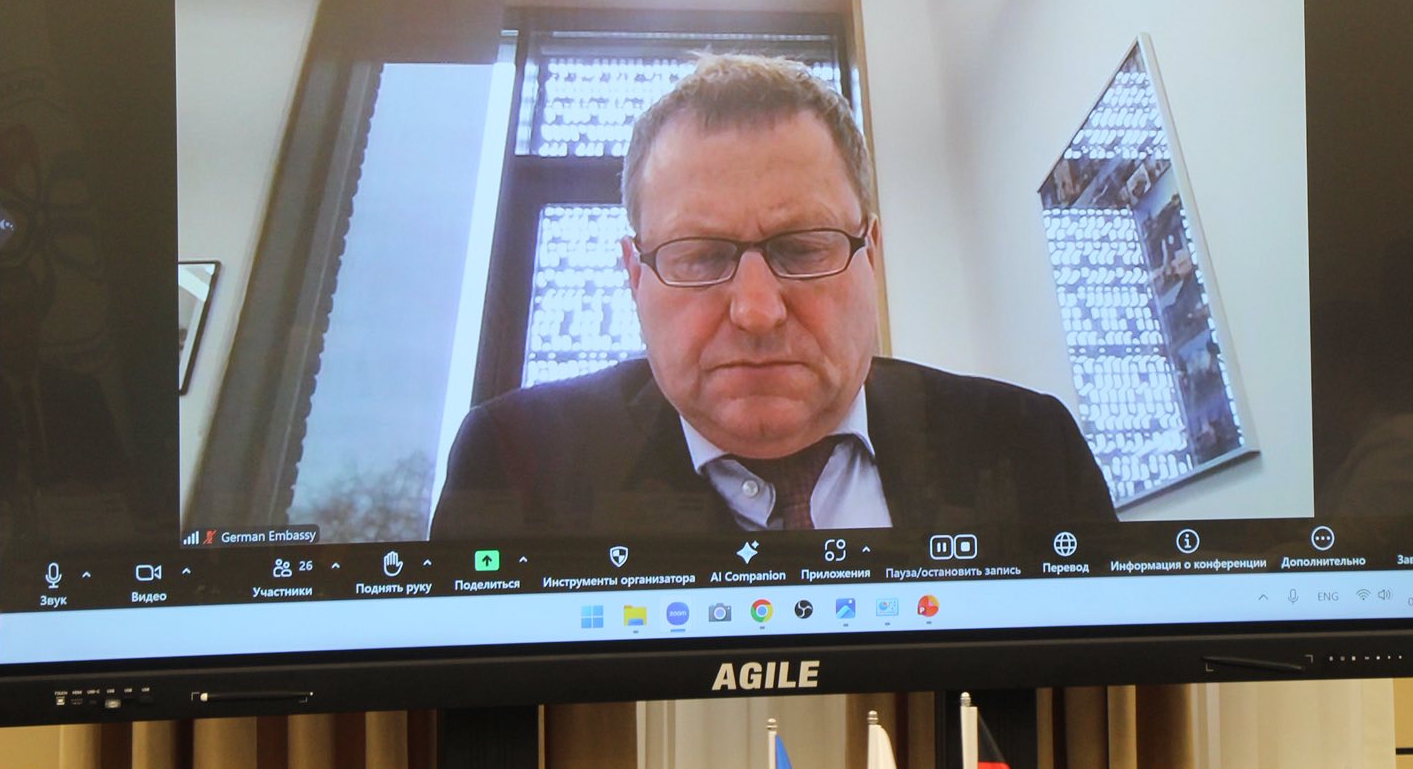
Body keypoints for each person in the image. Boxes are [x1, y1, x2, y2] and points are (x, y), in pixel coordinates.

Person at [431, 54, 1122, 538]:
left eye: (804, 248)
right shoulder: (516, 463)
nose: (757, 312)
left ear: (871, 254)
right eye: (699, 256)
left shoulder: (1030, 447)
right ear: (635, 276)